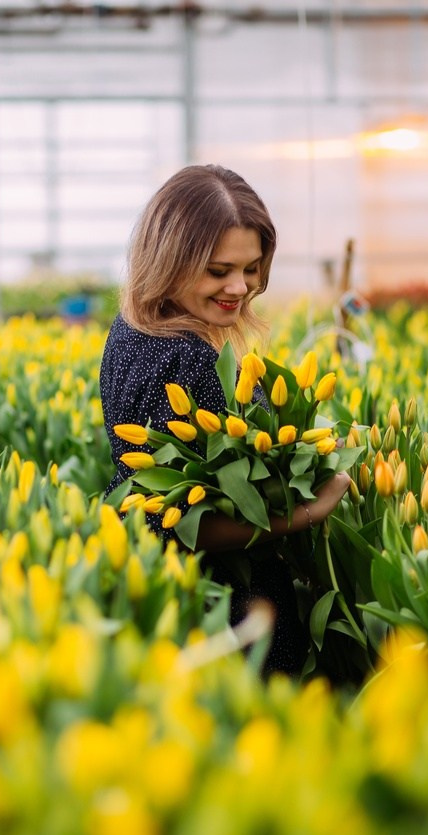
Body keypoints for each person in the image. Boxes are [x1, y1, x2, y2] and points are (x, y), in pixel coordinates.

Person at [99, 164, 351, 676]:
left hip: (173, 593)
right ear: (169, 260)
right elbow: (177, 523)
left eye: (251, 268)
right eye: (218, 271)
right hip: (228, 609)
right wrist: (310, 510)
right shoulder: (185, 358)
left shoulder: (133, 329)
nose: (239, 286)